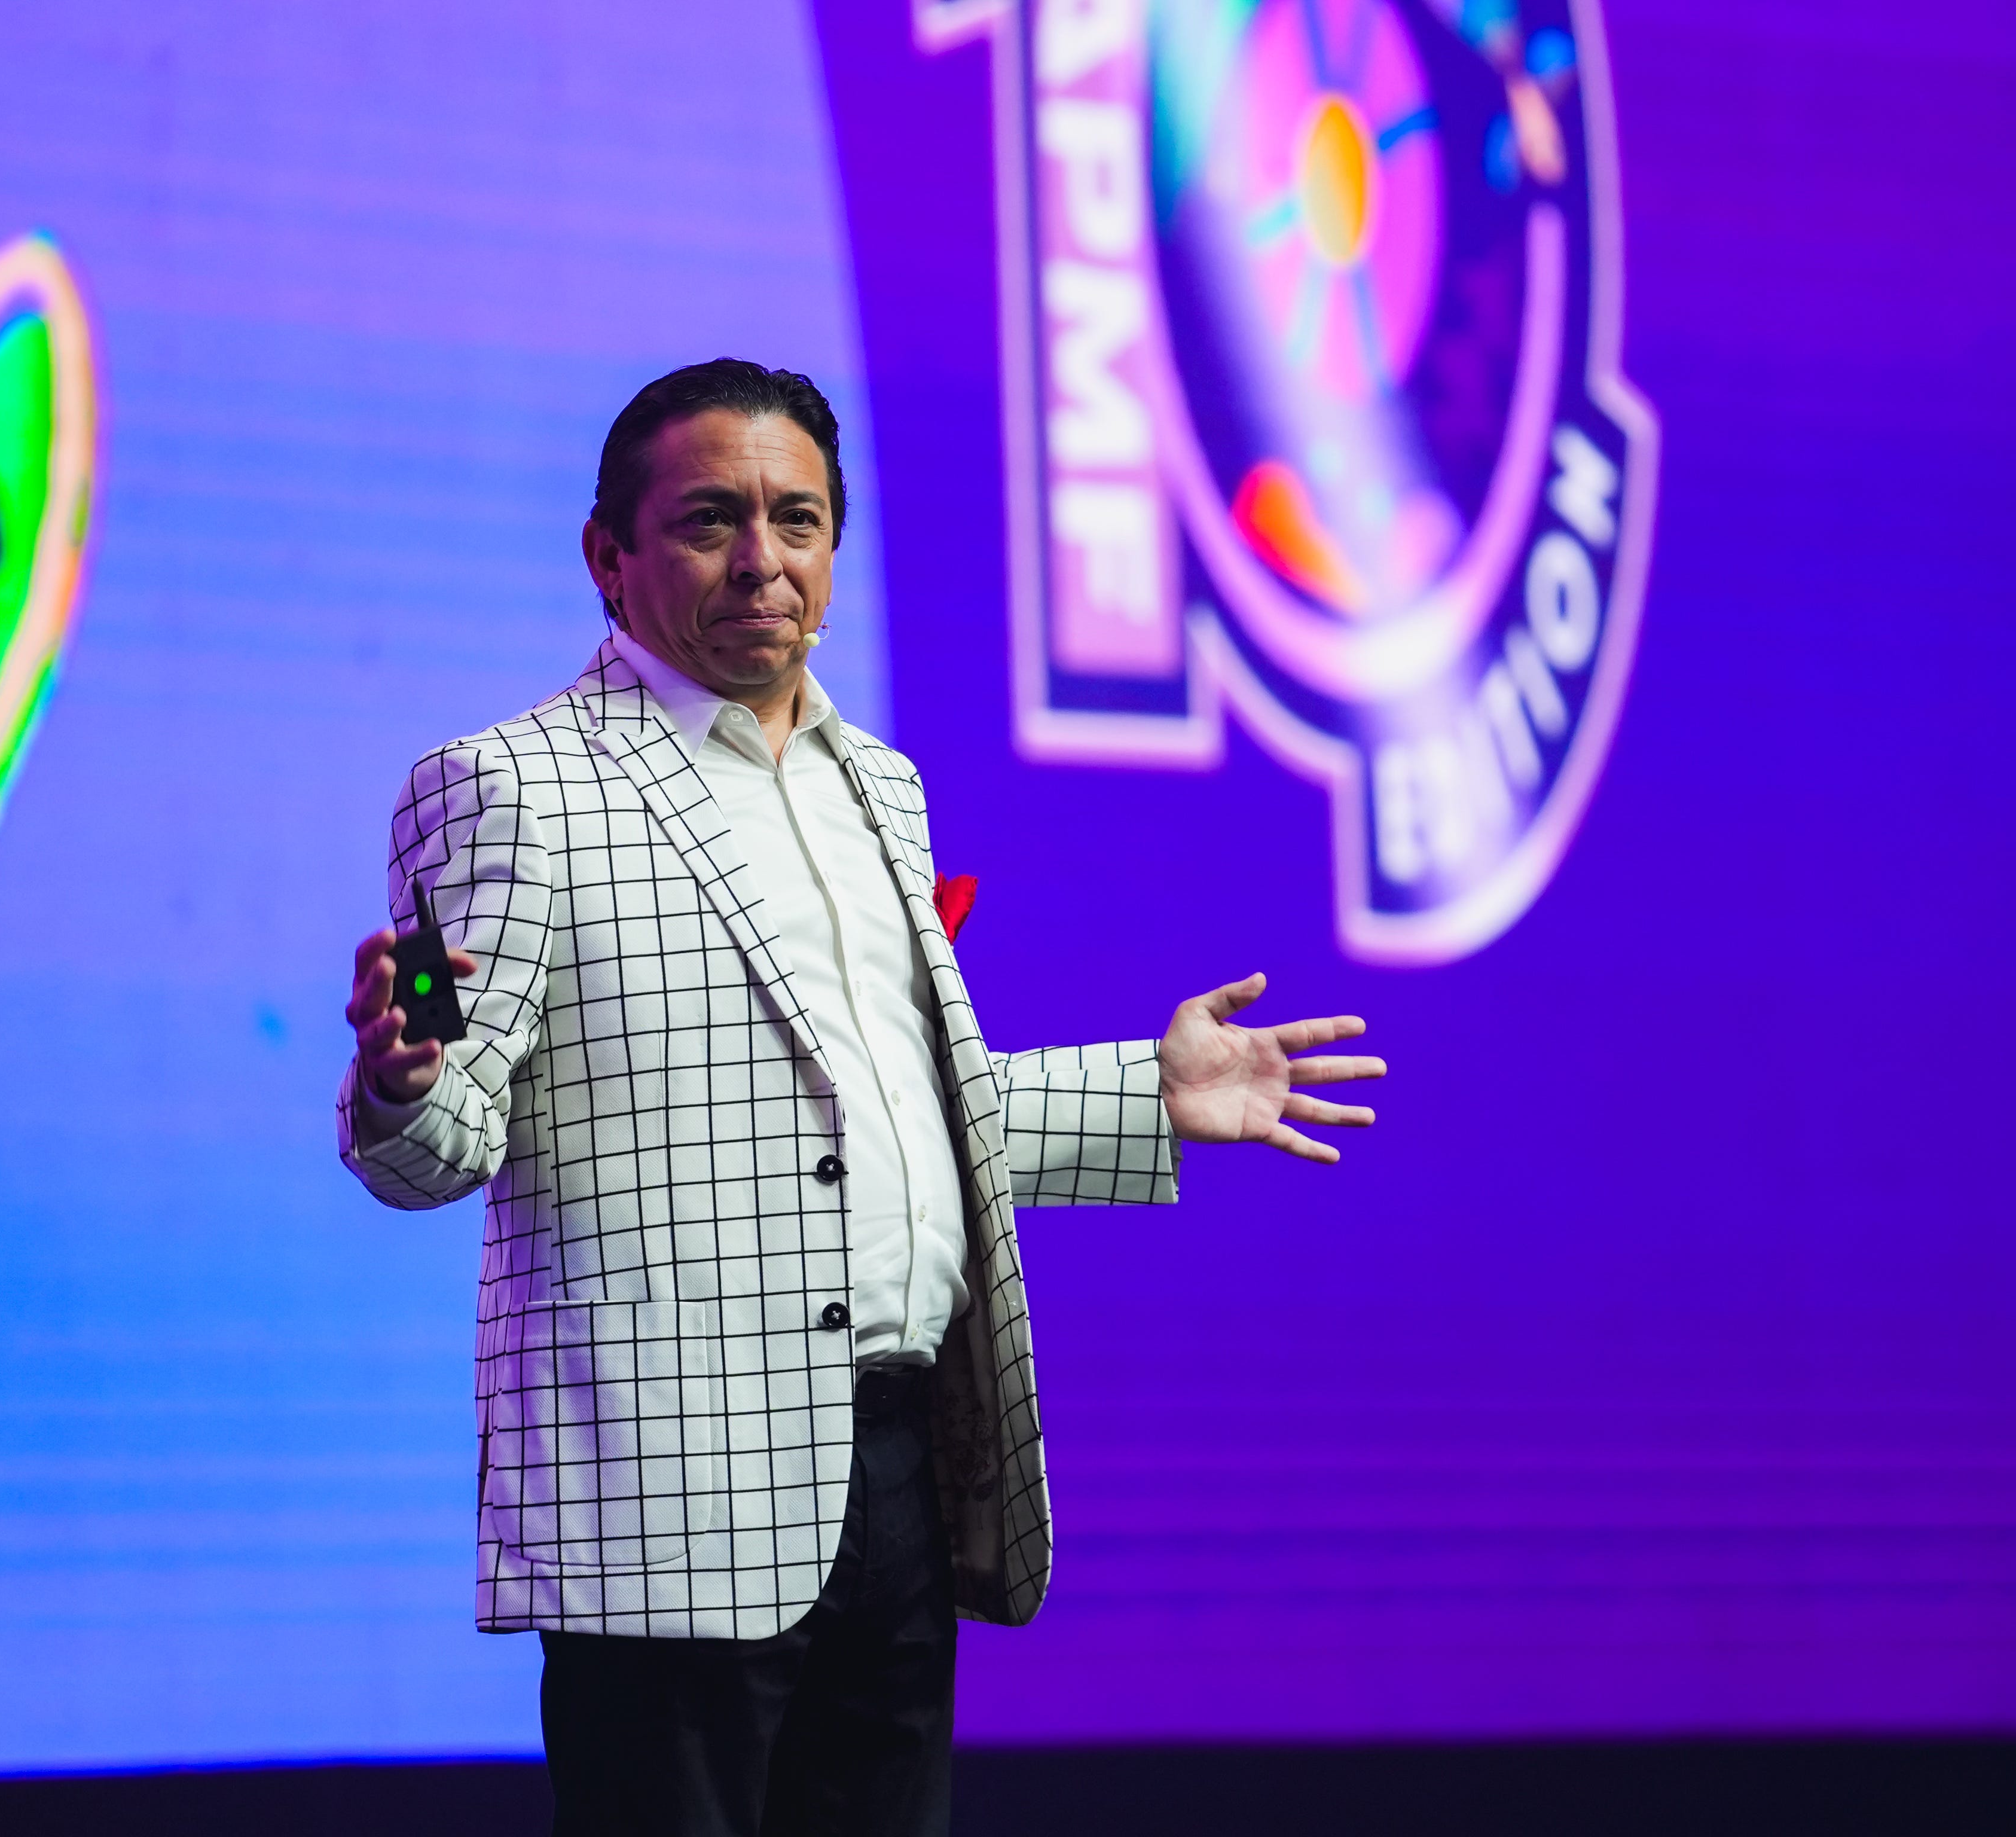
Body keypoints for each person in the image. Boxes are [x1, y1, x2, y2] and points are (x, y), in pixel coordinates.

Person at [340, 360, 1386, 1837]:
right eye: (709, 520)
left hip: (895, 1467)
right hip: (670, 1497)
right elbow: (441, 1132)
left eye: (798, 519)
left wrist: (1149, 1096)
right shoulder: (503, 789)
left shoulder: (878, 788)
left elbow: (886, 1121)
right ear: (609, 557)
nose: (761, 561)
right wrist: (401, 1080)